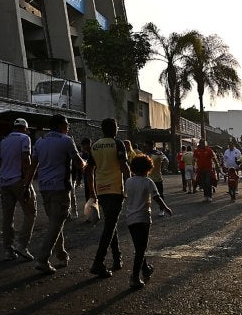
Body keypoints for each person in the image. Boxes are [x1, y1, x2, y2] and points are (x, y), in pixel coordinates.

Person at [32, 114, 86, 275]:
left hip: (44, 187)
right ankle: (43, 258)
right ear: (61, 125)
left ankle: (61, 254)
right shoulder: (66, 140)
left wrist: (26, 184)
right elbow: (78, 162)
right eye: (67, 124)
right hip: (60, 187)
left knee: (55, 222)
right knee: (56, 223)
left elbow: (33, 165)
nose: (68, 127)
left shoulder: (40, 141)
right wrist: (86, 164)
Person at [123, 154, 174, 289]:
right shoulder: (148, 182)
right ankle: (134, 277)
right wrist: (166, 208)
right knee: (141, 248)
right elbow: (157, 197)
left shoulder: (128, 181)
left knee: (139, 246)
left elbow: (125, 196)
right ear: (148, 168)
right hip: (143, 218)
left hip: (130, 219)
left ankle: (145, 269)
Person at [88, 118, 130, 277]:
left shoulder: (95, 145)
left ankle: (117, 258)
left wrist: (92, 191)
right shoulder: (117, 144)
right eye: (117, 127)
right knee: (110, 225)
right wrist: (129, 187)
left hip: (101, 189)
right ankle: (98, 262)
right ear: (114, 129)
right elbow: (124, 166)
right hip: (115, 189)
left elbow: (89, 170)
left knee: (111, 223)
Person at [0, 119, 37, 261]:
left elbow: (0, 162)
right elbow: (26, 160)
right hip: (18, 180)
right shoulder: (25, 138)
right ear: (24, 128)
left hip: (4, 181)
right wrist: (27, 182)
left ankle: (8, 250)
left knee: (7, 217)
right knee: (30, 213)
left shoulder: (3, 141)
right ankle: (22, 244)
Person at [144, 143, 169, 213]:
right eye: (146, 146)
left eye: (147, 146)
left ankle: (161, 209)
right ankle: (146, 209)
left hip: (156, 177)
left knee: (159, 194)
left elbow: (166, 161)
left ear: (152, 146)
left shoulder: (158, 153)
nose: (146, 148)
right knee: (145, 195)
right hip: (147, 177)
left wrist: (164, 168)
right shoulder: (146, 154)